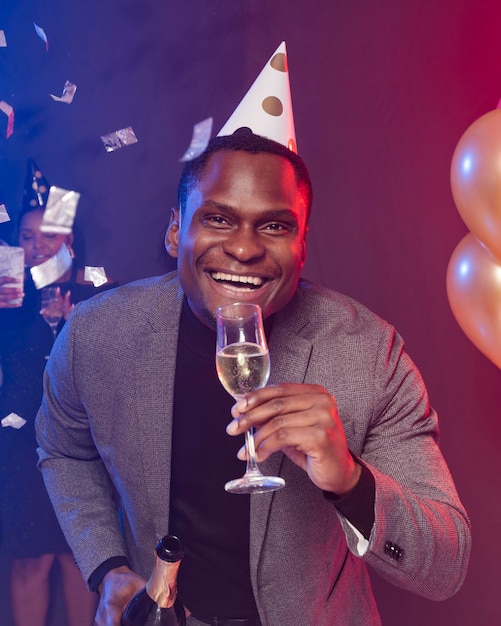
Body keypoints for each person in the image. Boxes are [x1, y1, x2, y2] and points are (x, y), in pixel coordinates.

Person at [34, 130, 471, 626]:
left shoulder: (370, 353)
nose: (243, 248)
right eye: (218, 219)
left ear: (303, 243)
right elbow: (63, 448)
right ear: (175, 230)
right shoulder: (97, 334)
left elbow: (446, 566)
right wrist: (108, 567)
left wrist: (350, 480)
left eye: (274, 226)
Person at [0, 204, 117, 626]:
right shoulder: (9, 296)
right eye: (27, 237)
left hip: (83, 443)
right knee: (31, 561)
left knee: (81, 558)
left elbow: (119, 372)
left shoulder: (99, 291)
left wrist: (74, 327)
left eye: (48, 235)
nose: (36, 246)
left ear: (69, 240)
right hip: (19, 447)